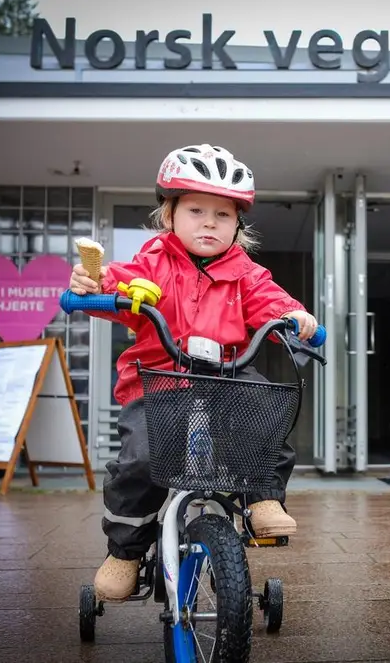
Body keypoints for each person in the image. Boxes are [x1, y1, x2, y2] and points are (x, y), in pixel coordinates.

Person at [69, 143, 319, 602]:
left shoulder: (246, 273)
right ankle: (125, 552)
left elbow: (273, 301)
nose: (209, 222)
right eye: (197, 210)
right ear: (170, 215)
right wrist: (93, 284)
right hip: (159, 381)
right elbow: (116, 281)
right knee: (140, 460)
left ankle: (263, 496)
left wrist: (296, 317)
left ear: (237, 225)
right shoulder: (152, 264)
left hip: (227, 376)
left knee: (265, 408)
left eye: (222, 215)